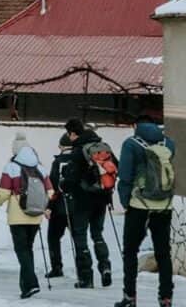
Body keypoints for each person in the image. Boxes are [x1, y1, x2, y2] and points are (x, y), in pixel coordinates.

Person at [115, 116, 176, 307]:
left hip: (139, 205)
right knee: (163, 253)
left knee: (131, 251)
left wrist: (126, 202)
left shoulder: (131, 144)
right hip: (164, 205)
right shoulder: (169, 143)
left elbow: (125, 176)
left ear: (136, 126)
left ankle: (129, 297)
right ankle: (166, 298)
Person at [0, 132, 55, 299]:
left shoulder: (11, 167)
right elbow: (50, 192)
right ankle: (26, 288)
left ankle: (32, 283)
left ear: (15, 151)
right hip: (36, 215)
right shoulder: (40, 167)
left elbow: (4, 193)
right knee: (28, 249)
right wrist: (43, 206)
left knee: (22, 250)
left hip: (17, 215)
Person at [62, 118, 115, 289]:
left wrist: (64, 184)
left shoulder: (78, 150)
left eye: (69, 134)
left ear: (73, 133)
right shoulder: (104, 146)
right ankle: (105, 266)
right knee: (98, 235)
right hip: (102, 199)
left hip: (82, 201)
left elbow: (71, 178)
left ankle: (86, 277)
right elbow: (115, 168)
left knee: (80, 236)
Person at [46, 133, 73, 278]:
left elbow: (53, 186)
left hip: (59, 207)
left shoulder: (58, 162)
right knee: (79, 239)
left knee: (53, 237)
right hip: (77, 206)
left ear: (63, 146)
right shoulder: (80, 159)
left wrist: (49, 206)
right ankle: (85, 271)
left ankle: (56, 267)